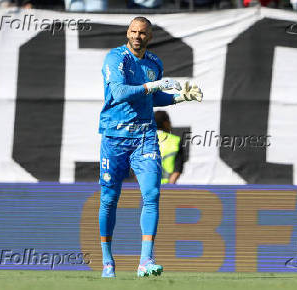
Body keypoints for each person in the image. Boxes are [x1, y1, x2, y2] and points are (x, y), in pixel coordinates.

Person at [98, 16, 203, 278]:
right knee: (110, 199)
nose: (137, 37)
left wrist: (181, 97)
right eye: (133, 32)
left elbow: (153, 96)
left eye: (142, 33)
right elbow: (121, 92)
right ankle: (107, 260)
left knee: (152, 194)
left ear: (150, 36)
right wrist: (153, 85)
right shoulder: (116, 58)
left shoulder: (154, 63)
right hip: (114, 136)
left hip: (144, 136)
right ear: (127, 33)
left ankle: (145, 260)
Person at [155, 111, 186, 184]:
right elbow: (177, 169)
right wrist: (169, 187)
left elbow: (136, 168)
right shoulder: (176, 140)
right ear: (166, 123)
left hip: (147, 189)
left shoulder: (143, 140)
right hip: (168, 188)